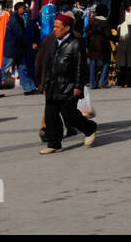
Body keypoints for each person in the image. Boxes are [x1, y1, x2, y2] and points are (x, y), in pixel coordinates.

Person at [39, 13, 98, 154]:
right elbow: (49, 66)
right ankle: (54, 144)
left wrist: (78, 85)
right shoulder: (54, 43)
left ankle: (89, 128)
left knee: (69, 115)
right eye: (54, 26)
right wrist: (45, 84)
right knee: (50, 115)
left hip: (69, 86)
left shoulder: (76, 43)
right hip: (53, 86)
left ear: (67, 28)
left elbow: (80, 66)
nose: (54, 29)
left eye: (57, 27)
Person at [85, 6, 112, 89]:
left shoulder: (92, 21)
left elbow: (86, 30)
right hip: (102, 45)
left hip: (92, 45)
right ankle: (102, 81)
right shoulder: (105, 22)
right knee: (106, 62)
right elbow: (108, 35)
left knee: (93, 63)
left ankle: (92, 83)